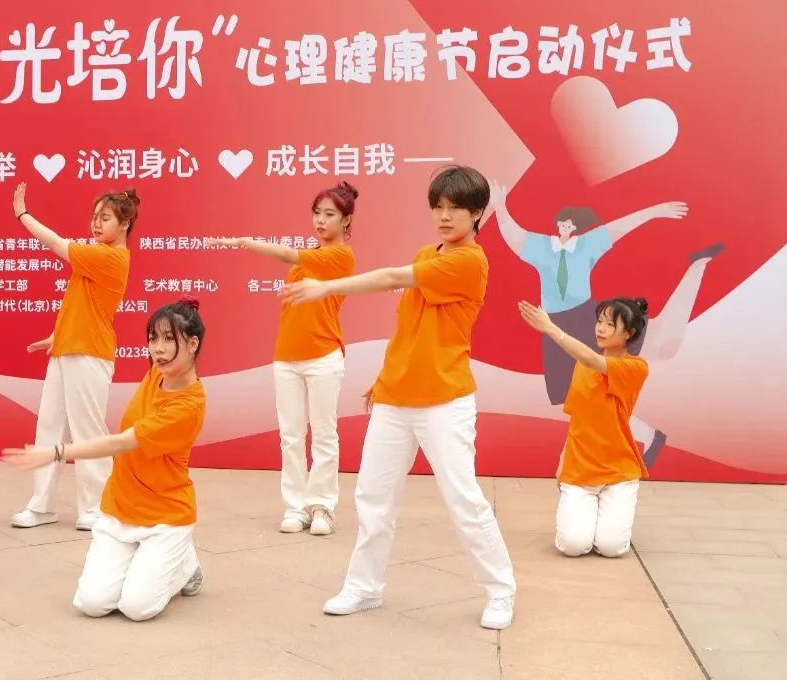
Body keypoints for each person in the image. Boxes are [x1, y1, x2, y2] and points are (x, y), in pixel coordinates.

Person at [284, 166, 517, 630]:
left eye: (456, 209)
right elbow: (409, 326)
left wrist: (326, 286)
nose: (444, 216)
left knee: (463, 499)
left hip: (444, 399)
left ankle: (500, 591)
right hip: (395, 398)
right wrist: (387, 378)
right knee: (373, 496)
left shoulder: (470, 262)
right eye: (438, 207)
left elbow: (392, 276)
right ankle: (364, 587)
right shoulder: (428, 255)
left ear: (478, 214)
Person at [488, 182, 723, 467]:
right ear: (558, 225)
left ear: (575, 227)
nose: (566, 228)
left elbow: (619, 226)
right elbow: (513, 235)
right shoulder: (540, 246)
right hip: (556, 323)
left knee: (658, 348)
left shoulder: (586, 245)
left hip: (585, 318)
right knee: (580, 398)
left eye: (570, 224)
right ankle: (642, 438)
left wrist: (654, 211)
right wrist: (500, 206)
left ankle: (697, 267)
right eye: (562, 223)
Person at [3, 298, 207, 621]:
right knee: (93, 603)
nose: (158, 349)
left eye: (169, 339)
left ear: (193, 344)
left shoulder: (188, 407)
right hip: (121, 506)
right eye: (153, 338)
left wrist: (56, 451)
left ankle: (185, 564)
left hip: (166, 516)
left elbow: (121, 443)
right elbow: (86, 318)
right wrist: (62, 336)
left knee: (137, 608)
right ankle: (148, 560)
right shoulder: (157, 373)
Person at [209, 182, 356, 535]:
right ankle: (296, 506)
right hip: (287, 356)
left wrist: (246, 242)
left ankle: (322, 507)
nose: (320, 220)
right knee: (291, 436)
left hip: (323, 356)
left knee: (324, 435)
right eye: (317, 213)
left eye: (329, 214)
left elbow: (290, 256)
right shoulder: (311, 255)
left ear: (346, 221)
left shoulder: (340, 256)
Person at [9, 182, 138, 531]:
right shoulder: (95, 256)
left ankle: (95, 508)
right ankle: (41, 506)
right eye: (94, 217)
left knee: (88, 431)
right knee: (50, 427)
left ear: (124, 224)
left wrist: (23, 214)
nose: (96, 224)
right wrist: (57, 335)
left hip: (90, 354)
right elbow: (84, 305)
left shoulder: (111, 257)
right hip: (66, 350)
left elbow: (55, 243)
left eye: (105, 218)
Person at [518, 296, 650, 558]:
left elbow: (592, 359)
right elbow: (578, 418)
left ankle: (608, 514)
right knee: (573, 546)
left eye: (610, 324)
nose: (601, 328)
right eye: (600, 321)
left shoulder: (635, 368)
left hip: (618, 471)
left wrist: (550, 328)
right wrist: (563, 461)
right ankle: (588, 513)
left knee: (612, 548)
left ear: (628, 333)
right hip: (580, 469)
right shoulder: (583, 366)